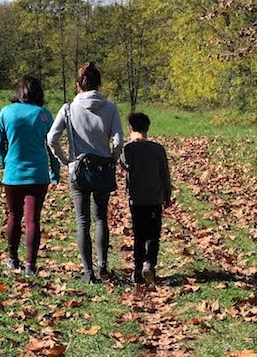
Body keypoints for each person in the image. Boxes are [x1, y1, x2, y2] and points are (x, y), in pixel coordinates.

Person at [47, 62, 124, 284]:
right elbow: (118, 140)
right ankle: (103, 266)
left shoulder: (68, 108)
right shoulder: (110, 108)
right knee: (101, 218)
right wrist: (113, 157)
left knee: (82, 221)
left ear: (79, 84)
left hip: (79, 170)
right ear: (99, 83)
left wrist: (65, 160)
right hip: (102, 169)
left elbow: (52, 138)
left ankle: (88, 272)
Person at [0, 75, 62, 277]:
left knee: (14, 215)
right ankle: (30, 265)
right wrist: (55, 172)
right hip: (38, 175)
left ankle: (12, 257)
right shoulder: (44, 114)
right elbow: (52, 147)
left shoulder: (6, 112)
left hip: (13, 174)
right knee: (33, 220)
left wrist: (4, 161)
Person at [120, 111, 172, 285]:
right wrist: (167, 194)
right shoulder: (158, 149)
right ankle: (150, 264)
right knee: (153, 234)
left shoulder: (127, 149)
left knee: (139, 234)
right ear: (147, 127)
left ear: (129, 128)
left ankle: (137, 269)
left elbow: (123, 164)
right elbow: (164, 173)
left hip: (136, 198)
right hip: (155, 198)